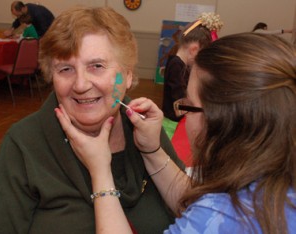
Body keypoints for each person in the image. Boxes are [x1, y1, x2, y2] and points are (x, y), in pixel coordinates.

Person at [56, 32, 296, 233]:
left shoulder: (222, 217)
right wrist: (151, 150)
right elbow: (198, 203)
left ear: (221, 121)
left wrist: (100, 171)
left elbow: (211, 213)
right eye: (65, 69)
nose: (80, 84)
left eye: (189, 106)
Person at [0, 6, 184, 234]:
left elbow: (196, 213)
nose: (80, 85)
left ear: (128, 75)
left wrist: (152, 151)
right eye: (65, 69)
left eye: (97, 66)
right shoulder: (24, 145)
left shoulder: (144, 129)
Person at [162, 12, 223, 122]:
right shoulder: (176, 65)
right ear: (194, 50)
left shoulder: (180, 63)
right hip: (172, 123)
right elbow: (180, 102)